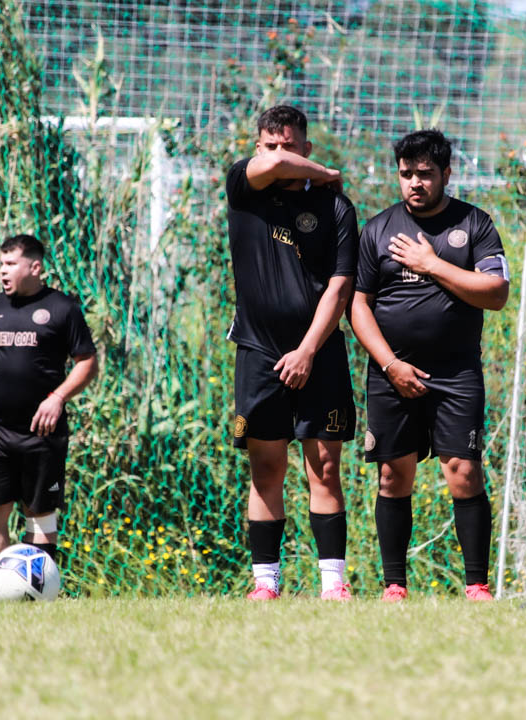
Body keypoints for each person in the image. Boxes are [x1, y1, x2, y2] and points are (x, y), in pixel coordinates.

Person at [351, 129, 510, 602]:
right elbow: (358, 305)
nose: (414, 183)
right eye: (406, 174)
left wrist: (432, 263)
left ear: (446, 174)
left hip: (456, 373)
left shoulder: (475, 224)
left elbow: (496, 293)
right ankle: (394, 586)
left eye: (425, 174)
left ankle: (477, 585)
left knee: (463, 472)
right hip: (391, 374)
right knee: (392, 475)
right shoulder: (377, 229)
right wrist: (390, 365)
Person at [225, 105, 358, 600]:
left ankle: (333, 585)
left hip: (319, 353)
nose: (279, 154)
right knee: (266, 469)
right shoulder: (243, 186)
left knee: (324, 467)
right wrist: (324, 171)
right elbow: (276, 168)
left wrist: (306, 350)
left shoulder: (336, 207)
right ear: (257, 148)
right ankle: (266, 584)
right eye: (269, 145)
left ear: (306, 147)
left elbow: (339, 287)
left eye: (289, 145)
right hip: (258, 352)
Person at [0, 234, 98, 597]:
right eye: (1, 264)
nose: (2, 271)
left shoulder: (62, 309)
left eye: (10, 264)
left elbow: (87, 362)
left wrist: (58, 398)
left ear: (34, 267)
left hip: (42, 432)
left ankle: (36, 595)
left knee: (40, 514)